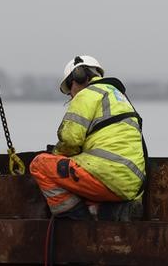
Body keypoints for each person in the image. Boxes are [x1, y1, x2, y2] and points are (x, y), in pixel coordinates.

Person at [29, 55, 147, 220]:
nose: (71, 96)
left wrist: (55, 154)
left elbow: (69, 141)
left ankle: (77, 218)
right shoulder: (120, 97)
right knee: (83, 182)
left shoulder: (86, 95)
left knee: (39, 164)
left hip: (107, 177)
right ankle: (106, 212)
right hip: (132, 187)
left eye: (70, 90)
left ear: (76, 78)